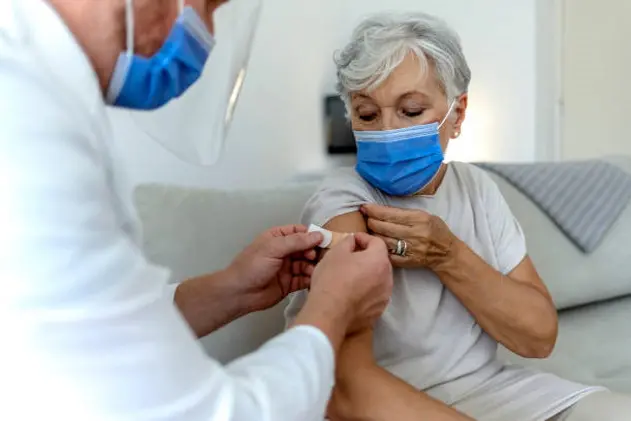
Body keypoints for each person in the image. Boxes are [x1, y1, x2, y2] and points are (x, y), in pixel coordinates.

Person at [0, 0, 395, 420]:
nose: (208, 32)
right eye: (207, 6)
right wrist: (333, 306)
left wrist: (231, 288)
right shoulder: (27, 126)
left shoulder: (36, 91)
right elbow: (211, 413)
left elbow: (84, 332)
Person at [284, 12, 631, 421]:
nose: (387, 132)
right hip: (387, 406)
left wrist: (447, 254)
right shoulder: (342, 203)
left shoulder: (476, 189)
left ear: (458, 114)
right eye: (367, 114)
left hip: (489, 389)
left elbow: (538, 337)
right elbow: (345, 389)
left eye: (410, 111)